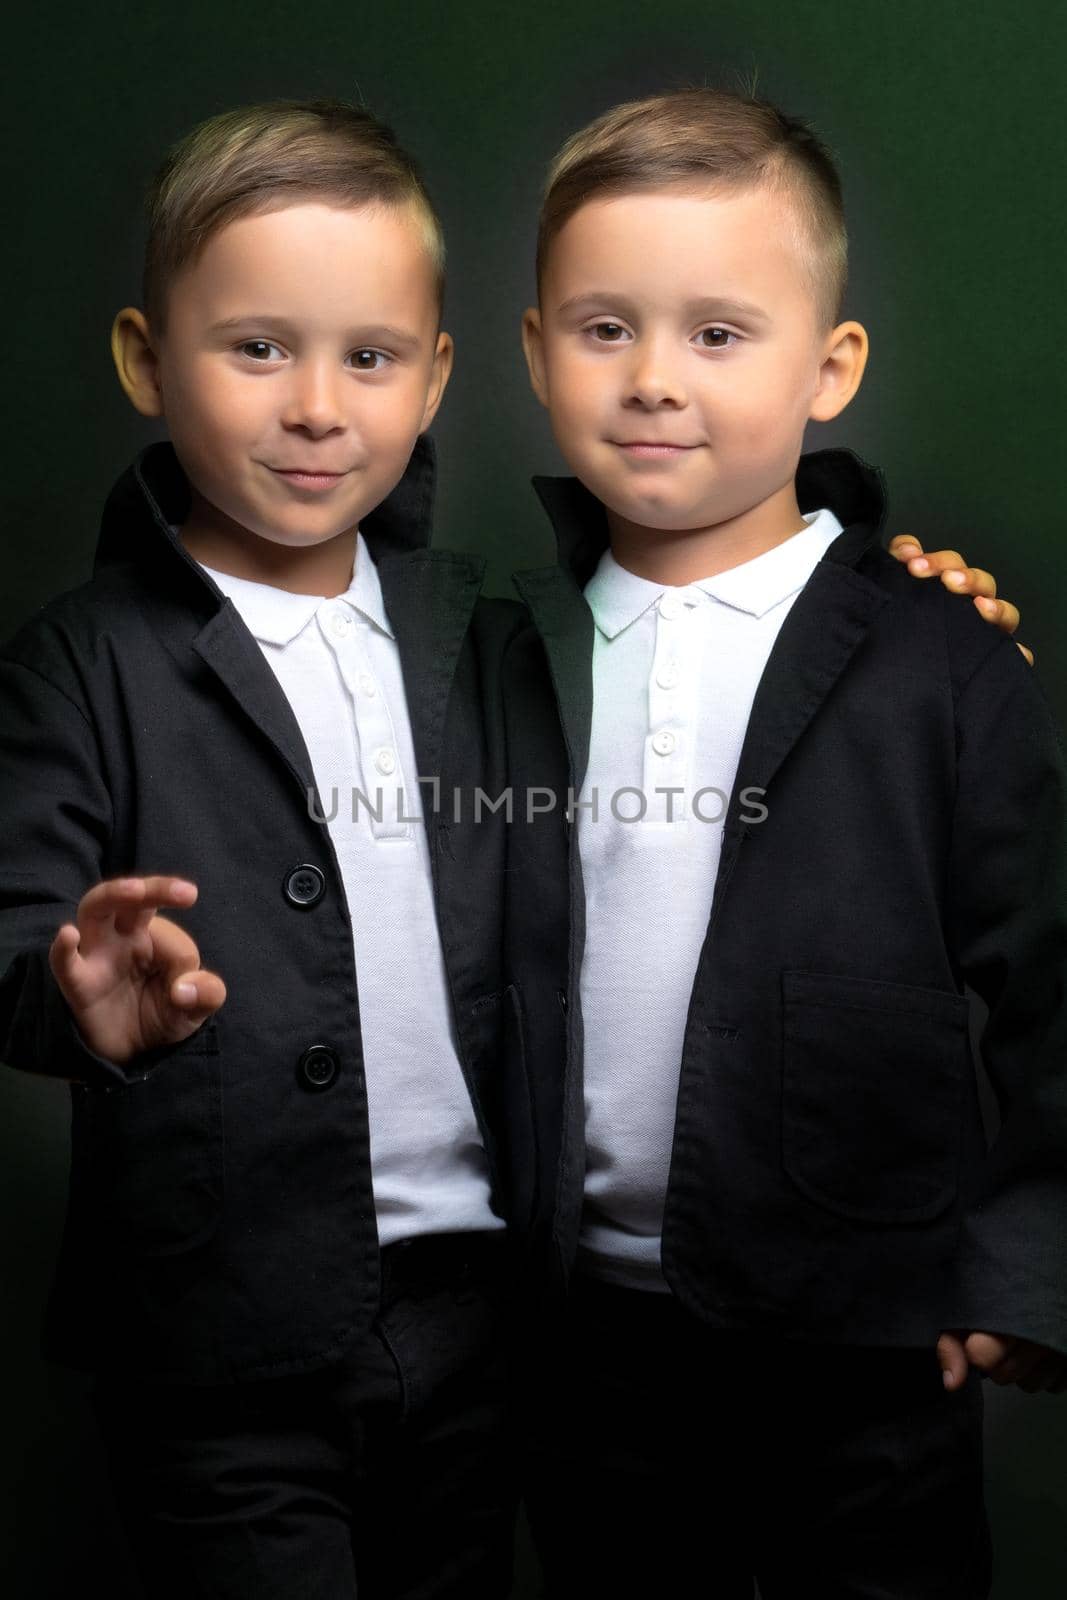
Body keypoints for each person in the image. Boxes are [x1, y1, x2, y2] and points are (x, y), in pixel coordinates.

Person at [504, 87, 1066, 1598]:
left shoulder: (935, 655)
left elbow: (1052, 982)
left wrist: (1022, 1265)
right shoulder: (497, 645)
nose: (655, 381)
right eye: (604, 328)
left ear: (831, 370)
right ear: (533, 350)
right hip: (587, 1348)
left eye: (719, 334)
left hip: (865, 1344)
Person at [0, 97, 533, 1600]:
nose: (316, 405)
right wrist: (70, 989)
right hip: (213, 1333)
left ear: (432, 377)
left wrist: (894, 604)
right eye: (256, 349)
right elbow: (16, 921)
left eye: (368, 357)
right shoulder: (77, 664)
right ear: (143, 358)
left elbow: (701, 667)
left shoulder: (491, 641)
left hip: (476, 1310)